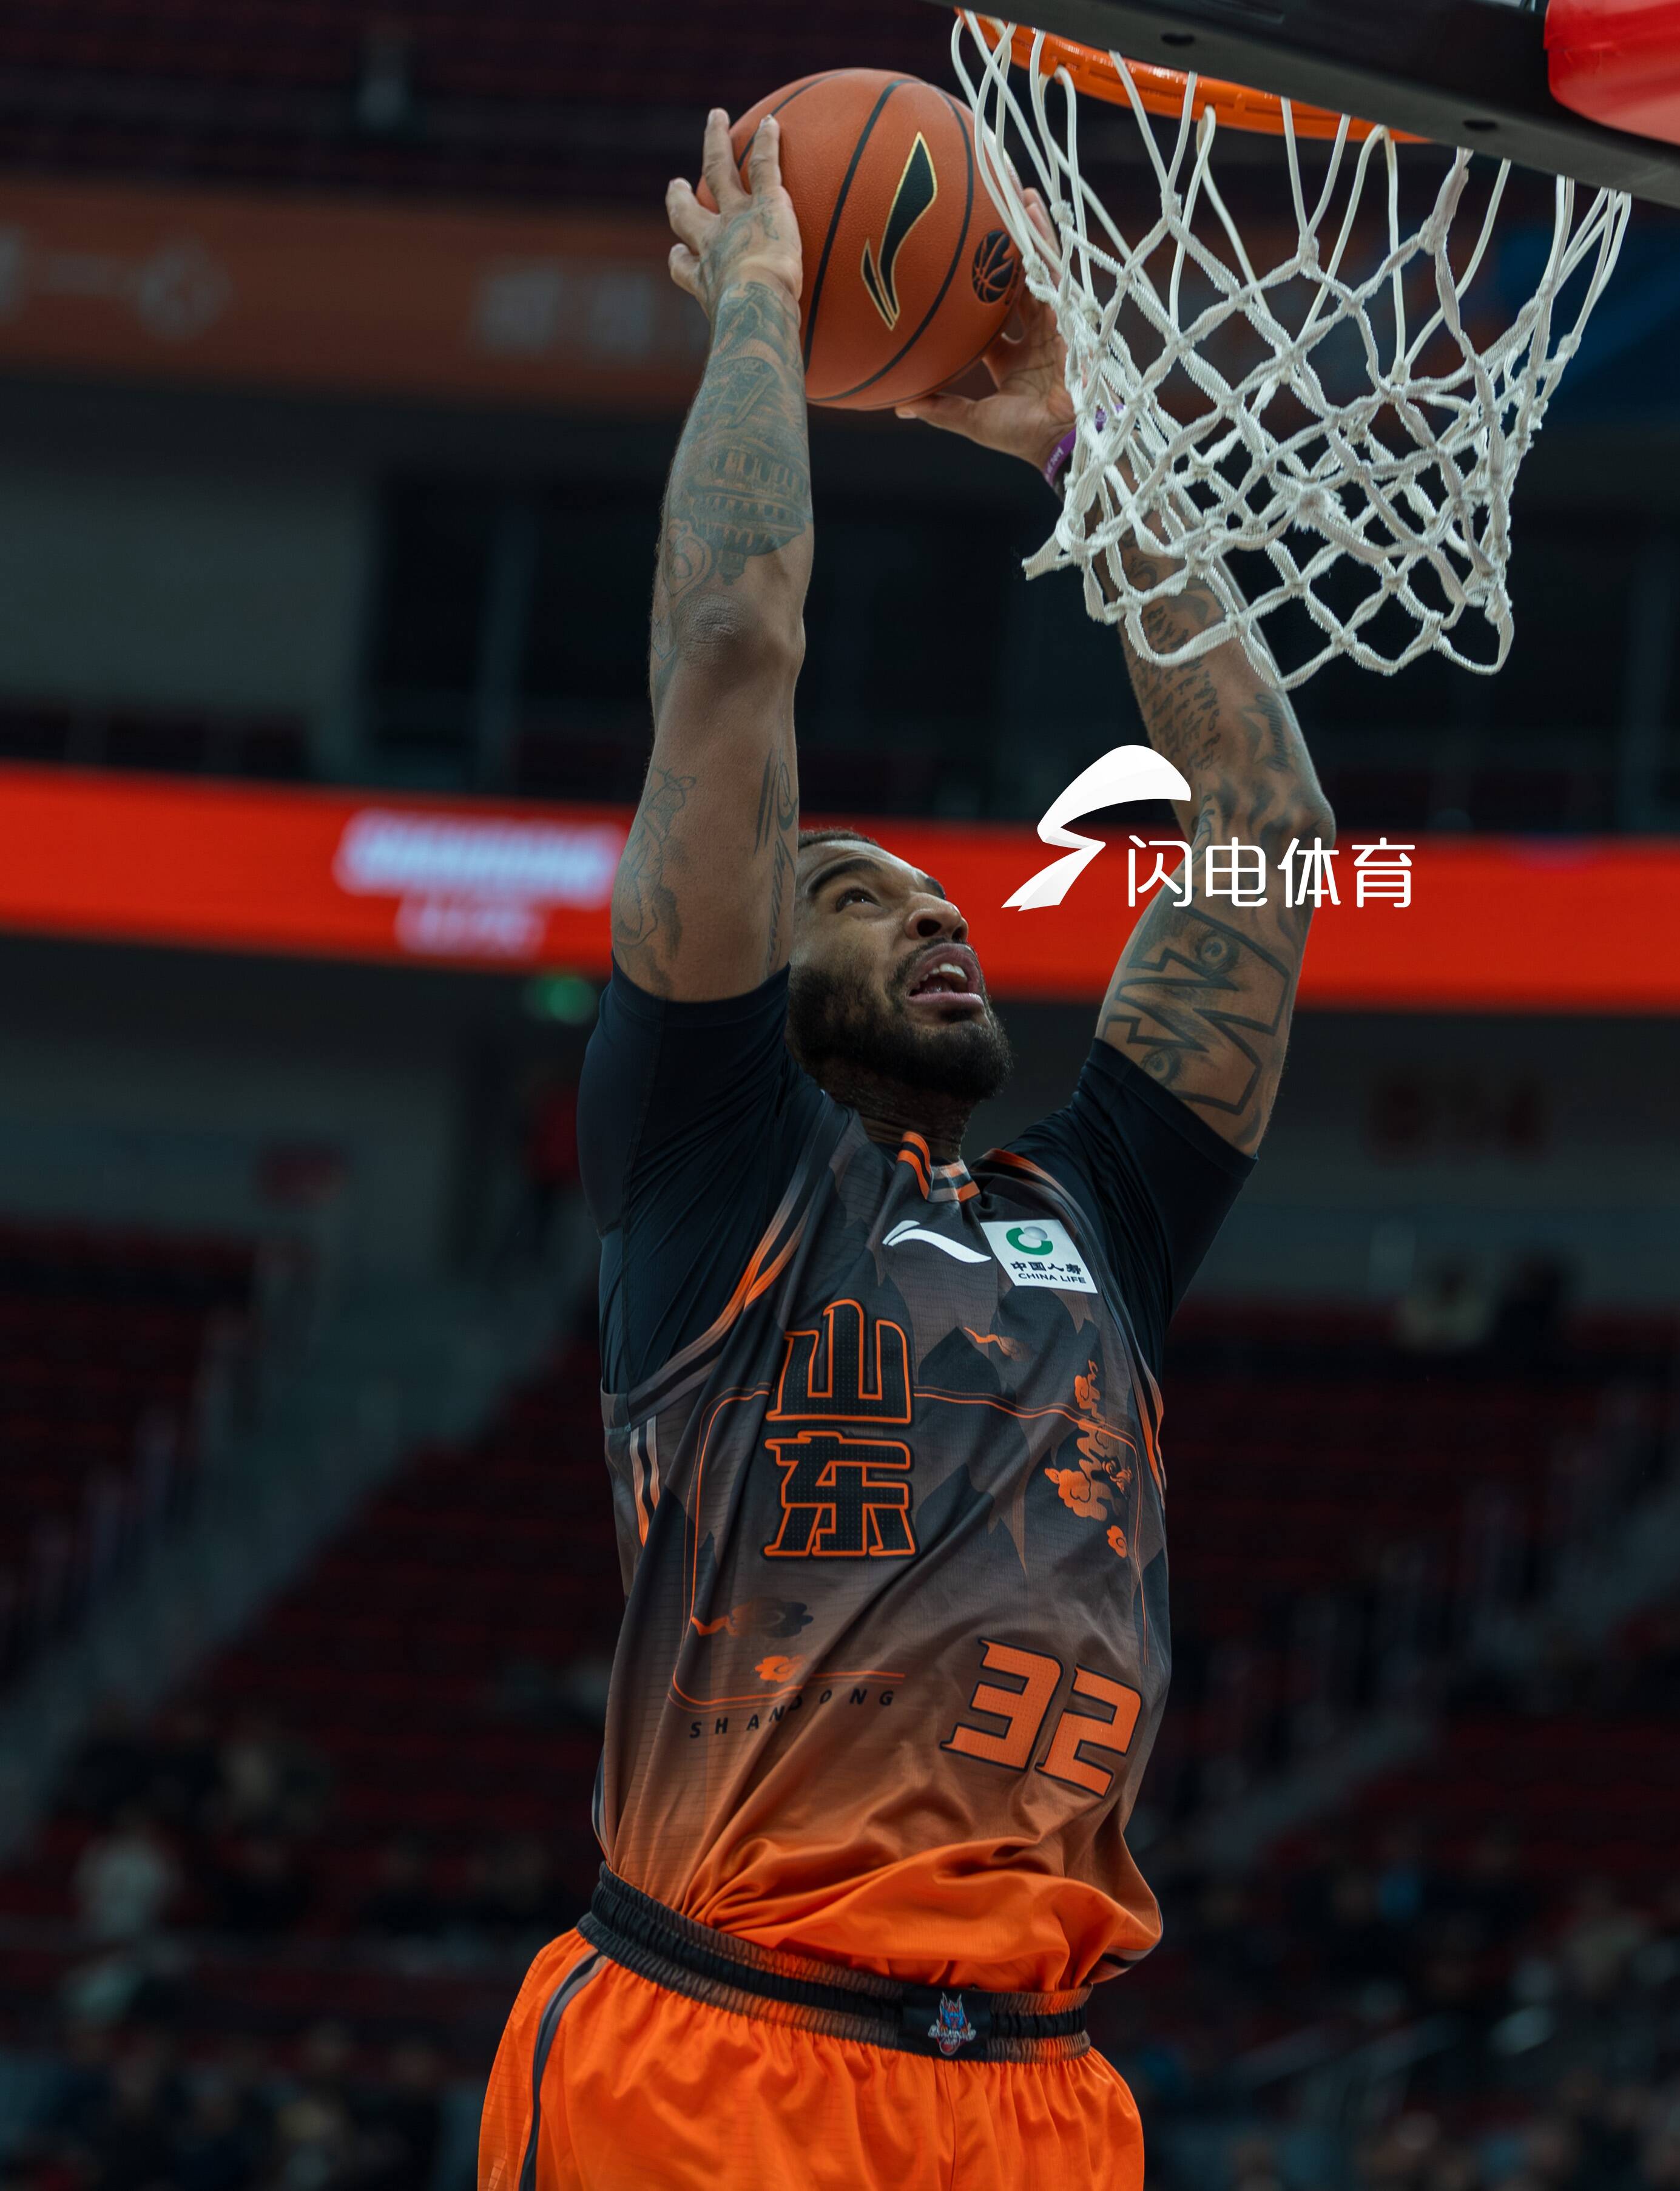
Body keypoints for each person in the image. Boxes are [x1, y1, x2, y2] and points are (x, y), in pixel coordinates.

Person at [478, 106, 1332, 2191]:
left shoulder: (1090, 1219)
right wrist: (762, 309)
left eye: (942, 899)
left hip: (1037, 2093)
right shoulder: (712, 1166)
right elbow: (731, 659)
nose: (937, 917)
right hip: (718, 2053)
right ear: (751, 968)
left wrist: (1083, 451)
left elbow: (1267, 834)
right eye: (855, 896)